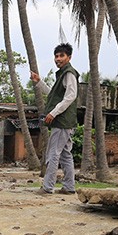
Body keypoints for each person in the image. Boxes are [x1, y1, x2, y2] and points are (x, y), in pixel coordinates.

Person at [30, 43, 79, 195]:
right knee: (65, 154)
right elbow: (53, 94)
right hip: (66, 121)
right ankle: (69, 187)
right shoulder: (62, 74)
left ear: (69, 57)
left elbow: (70, 96)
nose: (58, 59)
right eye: (56, 56)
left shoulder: (69, 73)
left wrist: (54, 113)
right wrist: (39, 82)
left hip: (62, 121)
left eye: (61, 56)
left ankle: (47, 187)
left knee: (53, 154)